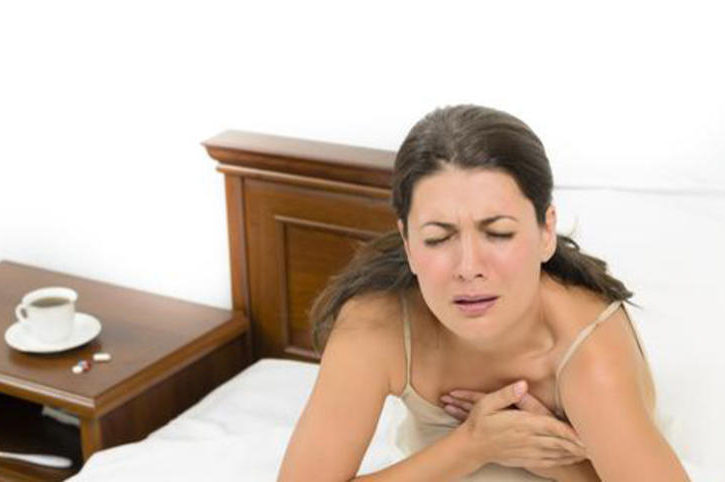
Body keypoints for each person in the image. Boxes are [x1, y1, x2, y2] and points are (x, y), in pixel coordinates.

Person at [277, 104, 689, 481]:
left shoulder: (587, 350)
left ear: (546, 231)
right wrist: (473, 445)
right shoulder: (376, 325)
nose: (469, 267)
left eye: (499, 233)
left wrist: (559, 463)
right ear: (408, 244)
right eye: (438, 238)